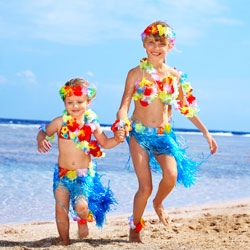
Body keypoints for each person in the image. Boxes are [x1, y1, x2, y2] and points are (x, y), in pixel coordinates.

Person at [114, 21, 218, 243]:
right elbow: (123, 106)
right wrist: (122, 122)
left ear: (170, 45)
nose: (156, 47)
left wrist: (205, 132)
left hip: (163, 135)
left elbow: (186, 109)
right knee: (145, 186)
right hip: (139, 135)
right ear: (144, 44)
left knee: (171, 176)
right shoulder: (135, 73)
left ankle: (158, 202)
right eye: (151, 42)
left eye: (161, 43)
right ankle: (136, 225)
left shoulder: (176, 76)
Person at [37, 78, 125, 245]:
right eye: (70, 102)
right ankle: (64, 242)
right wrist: (41, 140)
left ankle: (83, 219)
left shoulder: (91, 123)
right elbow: (43, 131)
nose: (75, 106)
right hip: (62, 175)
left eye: (79, 101)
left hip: (83, 175)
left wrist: (117, 139)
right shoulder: (59, 122)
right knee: (60, 210)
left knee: (81, 207)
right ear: (64, 102)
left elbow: (105, 143)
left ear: (88, 102)